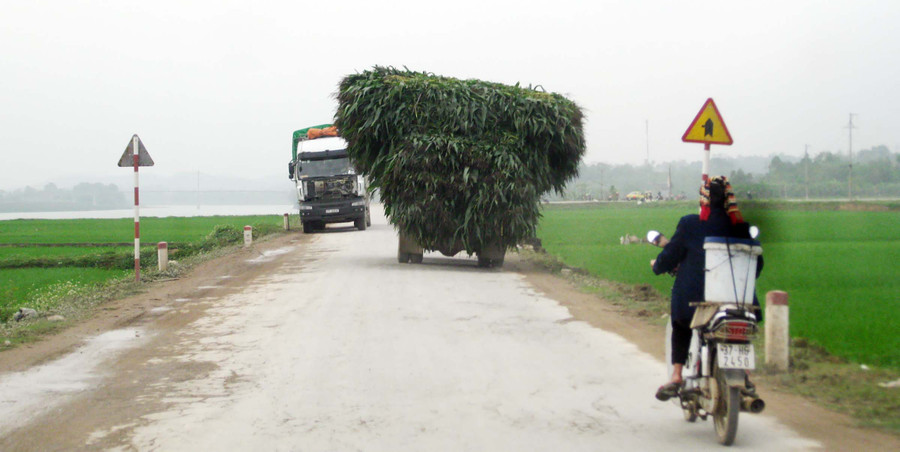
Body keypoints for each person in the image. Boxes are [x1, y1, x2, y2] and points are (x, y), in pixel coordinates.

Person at [649, 176, 763, 401]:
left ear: (704, 200)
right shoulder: (742, 228)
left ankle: (677, 375)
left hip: (697, 303)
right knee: (740, 333)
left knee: (681, 325)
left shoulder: (690, 224)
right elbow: (756, 265)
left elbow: (671, 254)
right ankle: (746, 374)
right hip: (740, 302)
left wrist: (658, 266)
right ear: (729, 200)